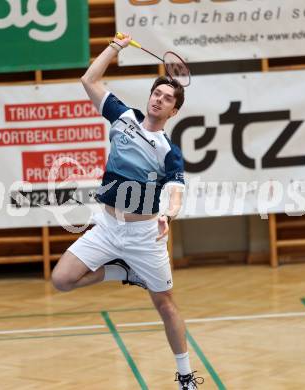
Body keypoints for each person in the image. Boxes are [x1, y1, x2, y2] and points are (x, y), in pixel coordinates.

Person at [51, 33, 203, 389]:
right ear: (150, 97)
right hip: (106, 226)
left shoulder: (169, 151)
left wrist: (169, 213)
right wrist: (115, 47)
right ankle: (122, 273)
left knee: (165, 305)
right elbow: (89, 80)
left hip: (142, 236)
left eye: (167, 98)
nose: (159, 99)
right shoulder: (123, 118)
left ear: (173, 111)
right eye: (157, 93)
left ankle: (184, 375)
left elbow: (177, 190)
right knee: (61, 280)